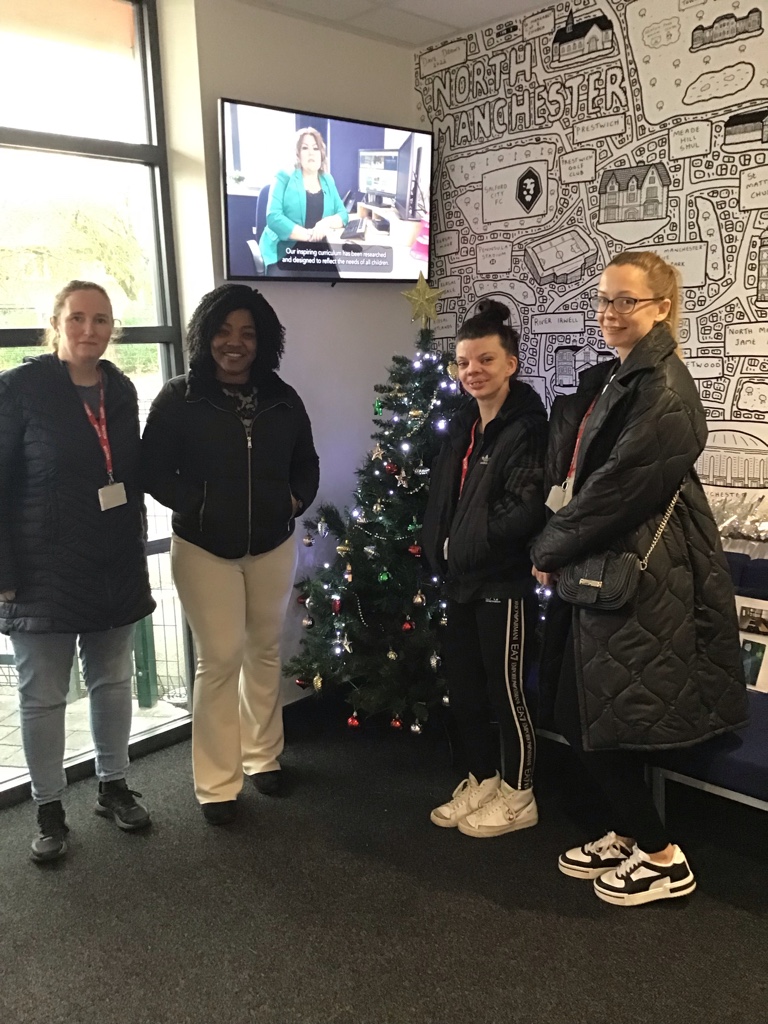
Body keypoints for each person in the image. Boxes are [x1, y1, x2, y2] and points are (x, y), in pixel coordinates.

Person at [531, 250, 748, 907]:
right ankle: (628, 830)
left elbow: (617, 491)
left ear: (661, 307)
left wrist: (549, 544)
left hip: (642, 581)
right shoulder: (626, 376)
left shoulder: (665, 388)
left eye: (626, 300)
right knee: (586, 711)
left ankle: (663, 857)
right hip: (608, 570)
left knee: (598, 716)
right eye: (604, 299)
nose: (610, 312)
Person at [141, 284, 319, 825]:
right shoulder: (180, 397)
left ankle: (262, 757)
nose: (234, 343)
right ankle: (217, 784)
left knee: (264, 650)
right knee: (218, 660)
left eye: (247, 332)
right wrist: (196, 504)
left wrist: (293, 500)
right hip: (203, 549)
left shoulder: (283, 397)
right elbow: (151, 469)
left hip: (271, 543)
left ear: (263, 341)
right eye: (223, 331)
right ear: (205, 335)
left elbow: (306, 463)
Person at [0, 281, 155, 863]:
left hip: (113, 563)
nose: (90, 329)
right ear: (56, 323)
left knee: (112, 681)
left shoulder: (120, 389)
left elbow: (128, 474)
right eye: (78, 318)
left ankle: (113, 786)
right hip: (40, 571)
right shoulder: (19, 390)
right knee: (42, 697)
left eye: (102, 319)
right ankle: (47, 809)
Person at [422, 300, 548, 838]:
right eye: (464, 362)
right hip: (461, 582)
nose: (473, 371)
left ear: (511, 363)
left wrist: (473, 543)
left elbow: (525, 508)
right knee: (468, 689)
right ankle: (482, 780)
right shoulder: (464, 427)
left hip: (503, 582)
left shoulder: (528, 428)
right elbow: (446, 502)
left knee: (506, 693)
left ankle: (520, 797)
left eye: (486, 360)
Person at [259, 126, 349, 277]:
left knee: (338, 281)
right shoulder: (283, 177)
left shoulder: (328, 179)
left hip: (319, 250)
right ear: (298, 154)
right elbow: (273, 217)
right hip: (286, 250)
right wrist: (308, 235)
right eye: (305, 148)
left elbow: (343, 214)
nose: (311, 152)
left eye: (316, 148)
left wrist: (325, 223)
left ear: (322, 153)